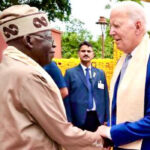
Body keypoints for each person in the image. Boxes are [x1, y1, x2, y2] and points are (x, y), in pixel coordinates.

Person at [0, 5, 104, 150]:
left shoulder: (7, 66)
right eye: (48, 38)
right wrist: (101, 140)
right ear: (29, 40)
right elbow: (63, 133)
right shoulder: (28, 75)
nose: (53, 45)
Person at [98, 1, 150, 150]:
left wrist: (112, 132)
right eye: (109, 26)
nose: (110, 32)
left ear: (138, 26)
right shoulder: (124, 61)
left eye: (116, 25)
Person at [64, 41, 109, 132]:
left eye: (89, 51)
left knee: (98, 145)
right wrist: (69, 120)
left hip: (97, 118)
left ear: (93, 54)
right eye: (83, 51)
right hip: (78, 119)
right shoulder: (70, 73)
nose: (86, 53)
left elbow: (105, 97)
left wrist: (107, 119)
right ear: (78, 53)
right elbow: (66, 99)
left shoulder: (100, 73)